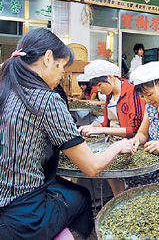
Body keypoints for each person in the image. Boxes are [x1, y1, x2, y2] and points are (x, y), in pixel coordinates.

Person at [0, 28, 133, 240]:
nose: (62, 74)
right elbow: (91, 167)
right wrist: (117, 146)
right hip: (23, 215)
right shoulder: (47, 99)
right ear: (48, 58)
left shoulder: (4, 89)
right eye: (61, 66)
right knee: (81, 198)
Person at [78, 59, 145, 195]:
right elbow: (107, 124)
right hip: (112, 143)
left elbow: (135, 130)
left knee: (132, 187)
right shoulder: (109, 96)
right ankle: (116, 198)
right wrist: (93, 127)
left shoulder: (133, 92)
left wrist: (101, 130)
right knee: (114, 182)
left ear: (110, 77)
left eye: (100, 85)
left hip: (130, 144)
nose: (99, 90)